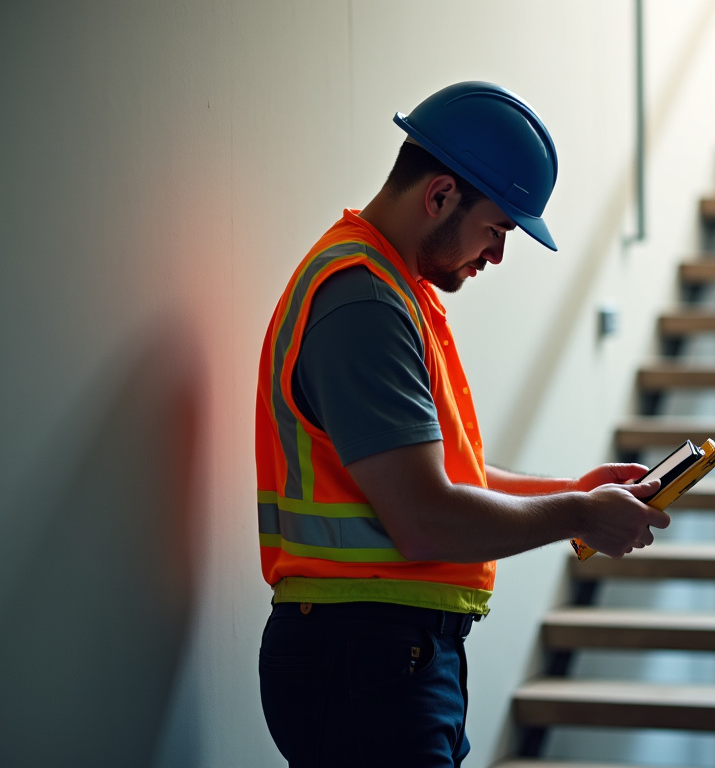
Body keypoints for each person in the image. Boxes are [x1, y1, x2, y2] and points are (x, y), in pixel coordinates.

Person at [254, 81, 671, 767]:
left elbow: (445, 480)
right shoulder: (363, 302)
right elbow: (425, 519)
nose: (497, 256)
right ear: (441, 195)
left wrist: (574, 491)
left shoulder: (390, 290)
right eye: (497, 229)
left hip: (378, 655)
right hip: (365, 658)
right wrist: (579, 516)